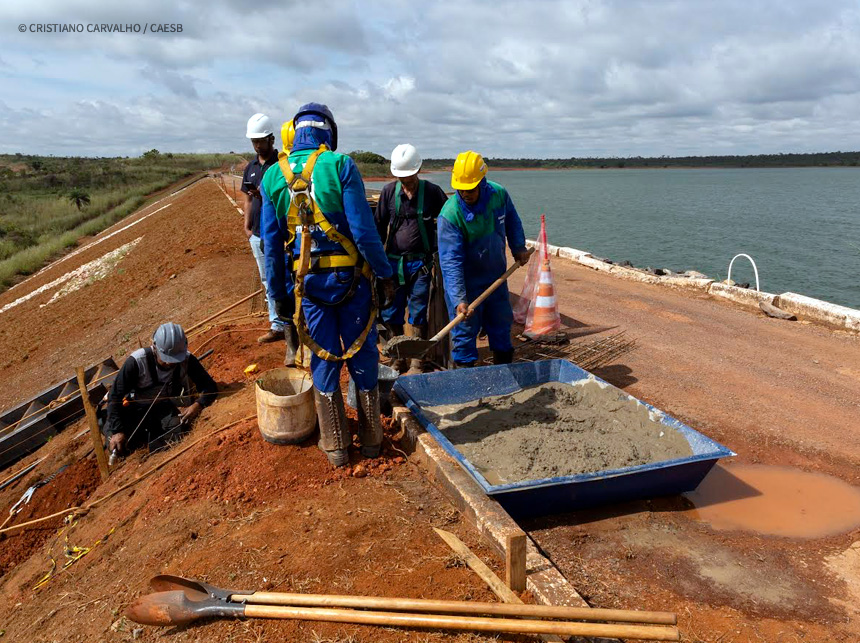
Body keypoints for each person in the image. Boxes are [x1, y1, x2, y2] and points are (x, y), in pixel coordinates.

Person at [260, 103, 395, 467]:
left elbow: (271, 250)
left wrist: (280, 301)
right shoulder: (340, 166)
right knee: (363, 354)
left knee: (322, 358)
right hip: (353, 282)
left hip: (309, 289)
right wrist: (385, 274)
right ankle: (370, 440)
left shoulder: (273, 176)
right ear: (328, 133)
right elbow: (365, 234)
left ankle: (335, 445)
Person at [437, 151, 530, 367]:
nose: (465, 193)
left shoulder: (499, 195)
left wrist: (518, 247)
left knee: (501, 327)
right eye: (461, 188)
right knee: (464, 336)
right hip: (467, 286)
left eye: (470, 188)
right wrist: (460, 298)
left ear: (482, 181)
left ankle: (503, 375)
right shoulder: (450, 216)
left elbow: (512, 221)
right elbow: (451, 262)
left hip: (496, 279)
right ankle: (466, 382)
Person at [374, 144, 448, 374]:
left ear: (418, 170)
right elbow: (378, 227)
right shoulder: (388, 193)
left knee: (417, 311)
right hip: (393, 264)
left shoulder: (433, 192)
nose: (406, 181)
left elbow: (448, 221)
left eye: (409, 176)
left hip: (421, 266)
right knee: (392, 311)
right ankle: (398, 357)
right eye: (401, 177)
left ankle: (417, 359)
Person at [104, 323, 217, 456]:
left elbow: (209, 386)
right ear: (155, 347)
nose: (170, 363)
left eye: (174, 360)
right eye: (166, 359)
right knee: (119, 446)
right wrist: (117, 430)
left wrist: (197, 405)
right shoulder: (137, 361)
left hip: (161, 407)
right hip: (132, 408)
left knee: (179, 428)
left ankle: (155, 456)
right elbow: (114, 397)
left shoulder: (186, 359)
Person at [242, 113, 299, 363]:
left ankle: (295, 332)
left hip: (281, 236)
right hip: (257, 233)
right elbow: (246, 198)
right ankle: (278, 326)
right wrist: (247, 226)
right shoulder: (251, 167)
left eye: (261, 140)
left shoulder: (282, 164)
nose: (257, 145)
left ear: (272, 139)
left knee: (289, 282)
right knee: (269, 280)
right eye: (253, 141)